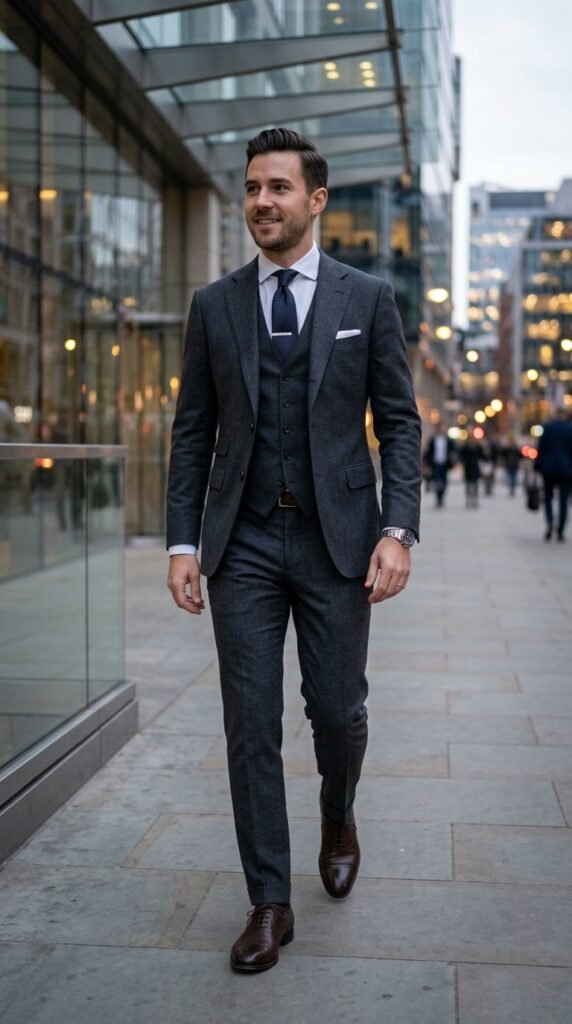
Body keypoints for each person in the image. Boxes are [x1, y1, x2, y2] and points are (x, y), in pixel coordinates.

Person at [166, 128, 421, 973]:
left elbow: (399, 422)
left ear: (316, 200)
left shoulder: (368, 298)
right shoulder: (215, 305)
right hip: (239, 544)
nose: (261, 202)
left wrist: (397, 529)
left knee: (338, 712)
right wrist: (180, 542)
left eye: (278, 187)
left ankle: (338, 812)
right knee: (250, 726)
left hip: (335, 540)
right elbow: (192, 433)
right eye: (251, 189)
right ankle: (269, 901)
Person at [536, 410, 572, 541]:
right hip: (566, 470)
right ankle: (561, 529)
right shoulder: (570, 429)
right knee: (564, 501)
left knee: (548, 497)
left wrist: (538, 466)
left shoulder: (548, 428)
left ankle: (550, 521)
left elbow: (541, 449)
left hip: (549, 468)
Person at [424, 423, 455, 507]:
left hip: (445, 464)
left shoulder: (448, 440)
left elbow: (453, 451)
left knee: (444, 481)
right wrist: (426, 464)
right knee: (437, 481)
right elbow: (428, 452)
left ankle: (441, 498)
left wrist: (453, 461)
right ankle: (438, 498)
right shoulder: (433, 440)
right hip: (435, 464)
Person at [460, 431, 483, 508]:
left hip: (475, 467)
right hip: (468, 468)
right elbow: (461, 457)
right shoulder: (465, 447)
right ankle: (469, 499)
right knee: (468, 485)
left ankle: (475, 499)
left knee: (475, 485)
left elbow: (482, 455)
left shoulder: (477, 447)